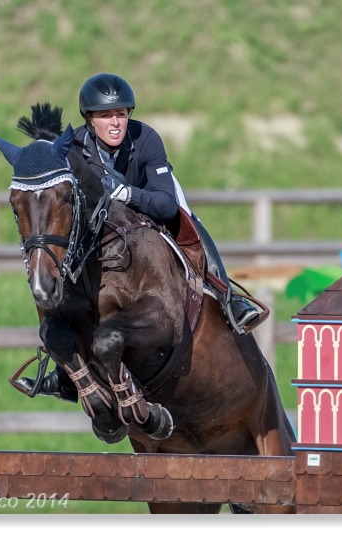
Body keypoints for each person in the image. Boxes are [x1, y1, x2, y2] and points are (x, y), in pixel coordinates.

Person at [25, 73, 261, 401]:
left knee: (187, 217)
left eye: (121, 113)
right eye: (106, 115)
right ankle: (64, 372)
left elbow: (164, 203)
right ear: (89, 119)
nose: (115, 122)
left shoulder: (146, 138)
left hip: (151, 208)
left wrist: (128, 193)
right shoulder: (75, 146)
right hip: (103, 225)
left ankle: (228, 296)